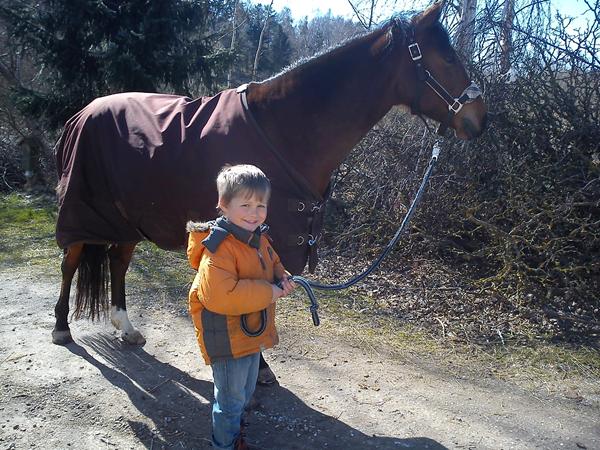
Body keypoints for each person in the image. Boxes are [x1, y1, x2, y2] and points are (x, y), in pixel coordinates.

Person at [187, 164, 296, 450]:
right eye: (245, 204)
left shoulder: (258, 238)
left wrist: (281, 276)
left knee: (246, 391)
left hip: (248, 331)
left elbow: (271, 261)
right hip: (225, 335)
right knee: (231, 398)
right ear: (224, 205)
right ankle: (223, 444)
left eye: (261, 205)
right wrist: (271, 292)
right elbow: (222, 296)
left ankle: (235, 433)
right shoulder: (219, 248)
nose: (254, 212)